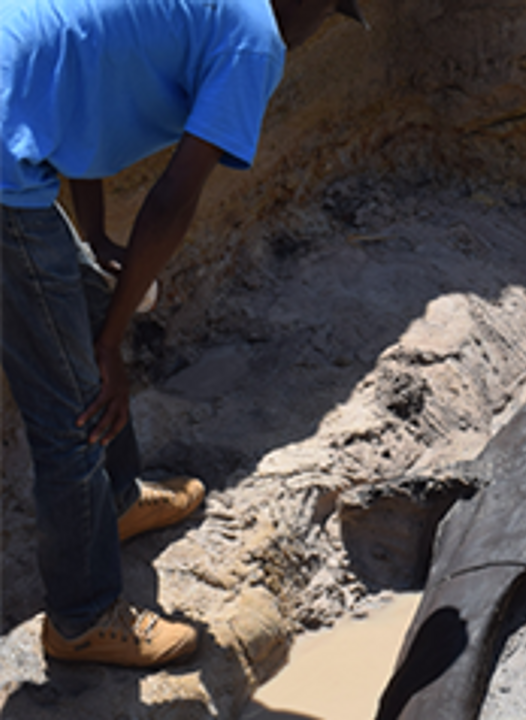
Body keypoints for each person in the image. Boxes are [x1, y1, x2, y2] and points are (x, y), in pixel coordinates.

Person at [0, 0, 366, 668]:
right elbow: (173, 199)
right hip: (4, 158)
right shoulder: (255, 42)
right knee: (74, 406)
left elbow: (85, 97)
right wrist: (109, 346)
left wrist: (93, 237)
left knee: (80, 297)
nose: (320, 30)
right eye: (333, 12)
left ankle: (113, 501)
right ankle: (81, 618)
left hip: (11, 96)